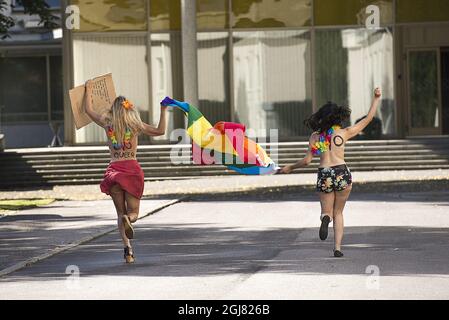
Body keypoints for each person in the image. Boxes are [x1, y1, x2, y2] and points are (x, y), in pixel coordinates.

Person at [280, 88, 382, 257]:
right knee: (339, 212)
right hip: (342, 172)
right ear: (337, 117)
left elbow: (306, 161)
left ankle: (325, 218)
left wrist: (290, 167)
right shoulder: (343, 133)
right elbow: (367, 119)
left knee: (328, 211)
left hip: (325, 173)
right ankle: (337, 248)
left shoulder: (315, 137)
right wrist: (376, 98)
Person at [84, 80, 168, 263]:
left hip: (114, 171)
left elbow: (88, 111)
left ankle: (127, 250)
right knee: (133, 214)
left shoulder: (107, 123)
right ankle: (129, 219)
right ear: (128, 109)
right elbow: (160, 131)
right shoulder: (136, 124)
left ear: (113, 110)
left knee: (119, 214)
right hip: (131, 170)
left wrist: (88, 90)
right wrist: (163, 110)